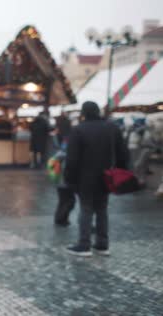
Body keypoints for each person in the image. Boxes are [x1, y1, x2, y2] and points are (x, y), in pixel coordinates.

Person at [64, 101, 128, 256]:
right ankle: (102, 244)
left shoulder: (78, 130)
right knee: (102, 209)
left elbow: (72, 159)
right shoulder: (112, 128)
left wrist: (69, 179)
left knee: (86, 209)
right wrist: (120, 171)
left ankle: (84, 244)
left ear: (84, 113)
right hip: (106, 176)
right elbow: (122, 153)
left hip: (84, 177)